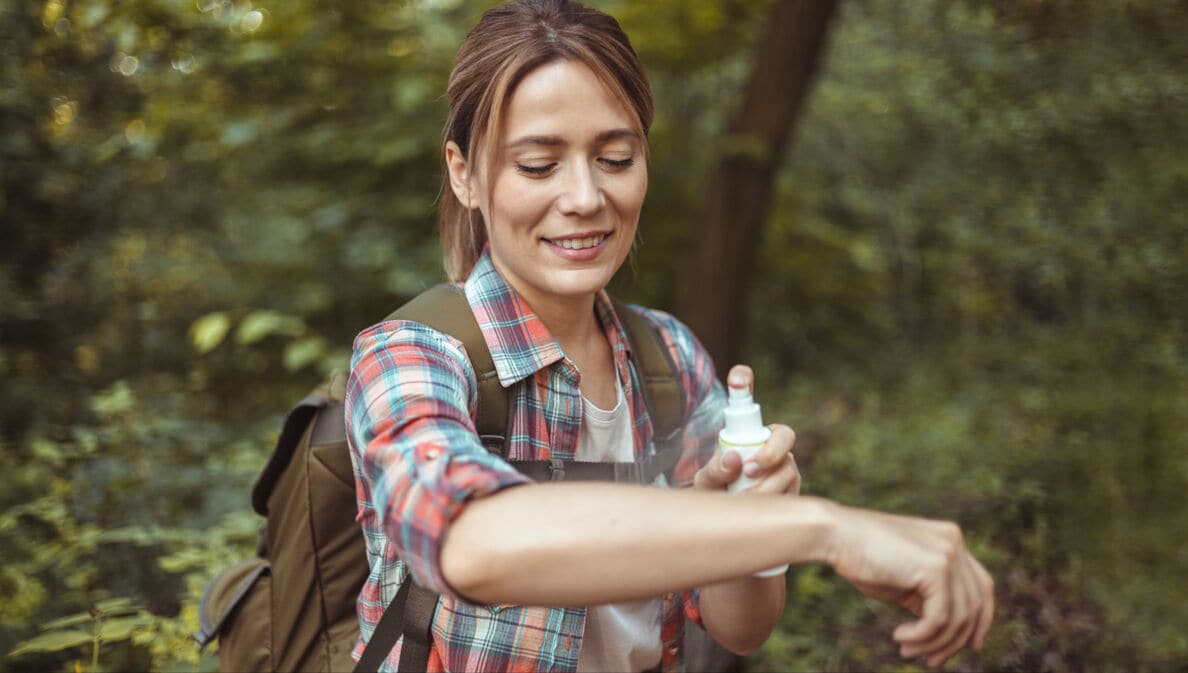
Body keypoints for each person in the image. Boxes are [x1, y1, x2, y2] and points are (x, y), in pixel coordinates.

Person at [345, 1, 994, 671]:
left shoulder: (670, 358)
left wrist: (743, 517)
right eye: (539, 165)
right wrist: (821, 528)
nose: (586, 197)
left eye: (616, 157)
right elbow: (467, 540)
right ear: (463, 172)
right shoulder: (411, 354)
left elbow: (741, 627)